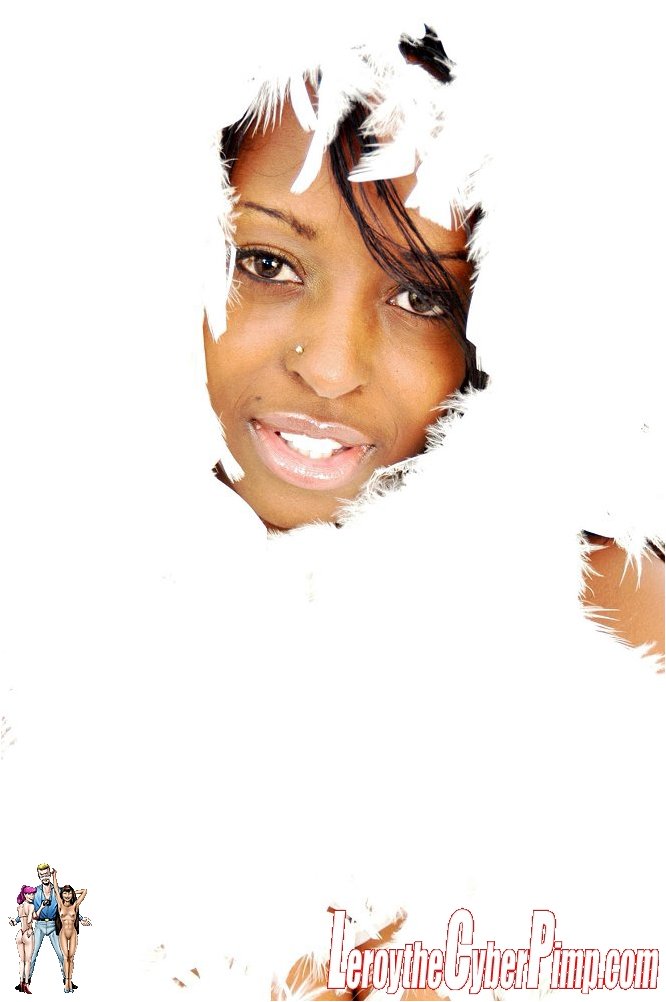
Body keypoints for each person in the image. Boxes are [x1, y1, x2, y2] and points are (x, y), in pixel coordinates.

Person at [51, 870, 87, 994]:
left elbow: (84, 891)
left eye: (69, 893)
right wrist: (54, 876)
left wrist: (73, 893)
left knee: (71, 957)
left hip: (73, 933)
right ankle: (66, 982)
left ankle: (70, 980)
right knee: (65, 957)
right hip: (63, 932)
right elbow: (56, 889)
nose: (67, 895)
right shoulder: (60, 904)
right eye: (65, 893)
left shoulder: (75, 905)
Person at [14, 886, 36, 994]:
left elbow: (19, 919)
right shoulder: (31, 906)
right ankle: (26, 984)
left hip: (20, 933)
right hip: (28, 933)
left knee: (21, 961)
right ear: (25, 895)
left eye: (33, 894)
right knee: (28, 961)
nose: (32, 896)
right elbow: (29, 920)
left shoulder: (20, 906)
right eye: (29, 894)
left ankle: (20, 983)